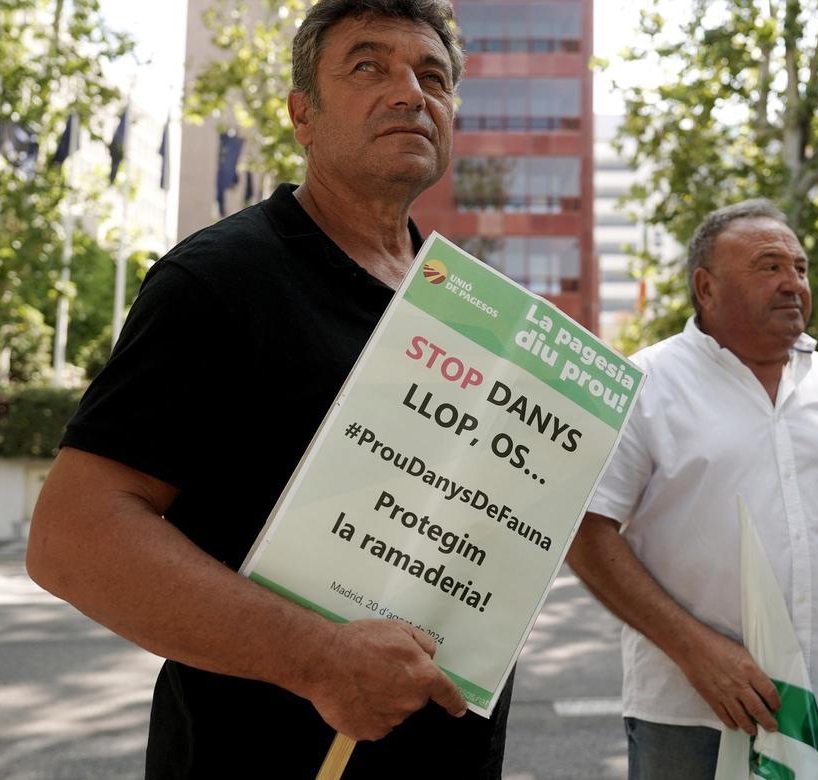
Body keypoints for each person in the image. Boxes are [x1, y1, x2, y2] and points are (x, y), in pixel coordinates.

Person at [25, 1, 513, 776]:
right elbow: (72, 537)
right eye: (367, 66)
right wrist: (320, 659)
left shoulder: (471, 309)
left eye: (433, 77)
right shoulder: (220, 279)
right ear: (302, 117)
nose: (410, 92)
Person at [566, 200, 818, 779]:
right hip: (688, 714)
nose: (793, 284)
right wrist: (695, 650)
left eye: (801, 269)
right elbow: (584, 531)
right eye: (769, 267)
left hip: (816, 708)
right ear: (706, 288)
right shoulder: (647, 384)